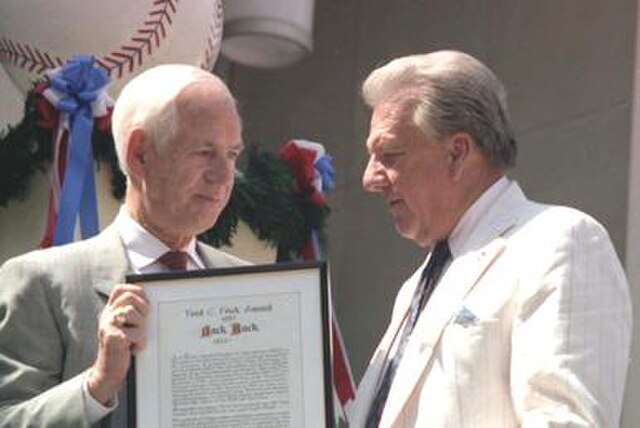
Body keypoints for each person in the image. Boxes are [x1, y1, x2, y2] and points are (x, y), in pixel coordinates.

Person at [348, 50, 632, 427]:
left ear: (457, 153)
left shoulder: (561, 242)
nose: (370, 179)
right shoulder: (415, 287)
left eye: (390, 155)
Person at [0, 64, 247, 427]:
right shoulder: (39, 282)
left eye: (232, 155)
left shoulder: (258, 290)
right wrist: (97, 385)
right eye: (204, 152)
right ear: (139, 154)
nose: (224, 177)